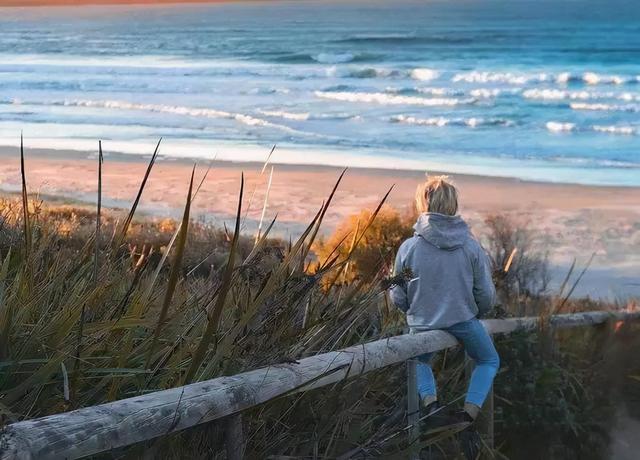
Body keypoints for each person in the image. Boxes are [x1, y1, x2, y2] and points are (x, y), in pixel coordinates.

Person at [390, 175, 499, 428]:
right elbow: (485, 293)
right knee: (488, 360)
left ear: (423, 204)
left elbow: (397, 293)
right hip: (463, 320)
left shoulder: (409, 248)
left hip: (422, 321)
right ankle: (468, 414)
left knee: (418, 360)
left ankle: (431, 406)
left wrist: (413, 310)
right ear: (453, 205)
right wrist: (477, 313)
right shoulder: (471, 247)